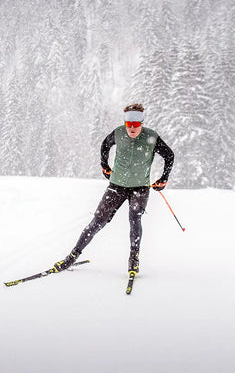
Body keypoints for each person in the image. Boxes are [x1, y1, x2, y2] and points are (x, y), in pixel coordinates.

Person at [53, 103, 174, 274]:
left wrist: (164, 178)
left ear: (142, 123)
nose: (132, 128)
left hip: (140, 188)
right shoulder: (118, 133)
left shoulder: (151, 137)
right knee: (97, 222)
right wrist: (105, 166)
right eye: (129, 124)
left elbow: (169, 155)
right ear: (125, 123)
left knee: (134, 220)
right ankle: (71, 257)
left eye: (136, 124)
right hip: (116, 186)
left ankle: (133, 261)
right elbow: (105, 145)